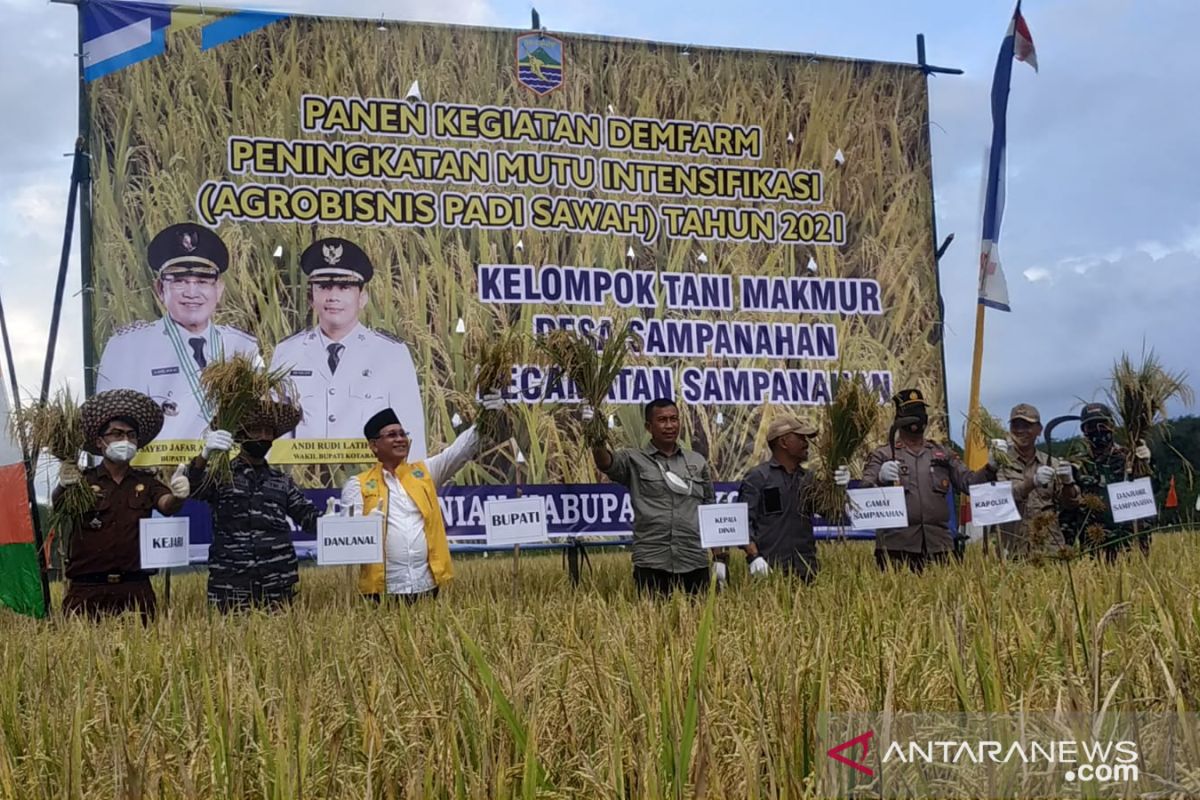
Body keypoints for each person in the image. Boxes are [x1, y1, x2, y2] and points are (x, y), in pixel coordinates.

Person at [95, 223, 261, 440]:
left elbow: (260, 425)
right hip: (158, 470)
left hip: (230, 471)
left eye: (202, 281)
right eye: (180, 281)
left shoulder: (242, 346)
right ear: (160, 289)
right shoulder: (128, 347)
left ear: (218, 290)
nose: (192, 293)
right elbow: (109, 428)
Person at [270, 238, 426, 459]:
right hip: (303, 483)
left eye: (344, 287)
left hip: (372, 483)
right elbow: (275, 434)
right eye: (324, 287)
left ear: (362, 298)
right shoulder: (288, 352)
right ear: (311, 297)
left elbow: (410, 433)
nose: (333, 297)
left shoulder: (390, 354)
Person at [340, 394, 505, 602]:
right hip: (382, 592)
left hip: (426, 586)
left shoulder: (424, 472)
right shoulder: (357, 484)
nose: (400, 439)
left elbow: (459, 452)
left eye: (402, 434)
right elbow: (347, 541)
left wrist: (487, 417)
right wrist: (368, 525)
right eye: (392, 435)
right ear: (374, 445)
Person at [54, 389, 190, 620]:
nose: (125, 440)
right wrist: (64, 485)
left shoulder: (146, 482)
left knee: (143, 653)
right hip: (87, 590)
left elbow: (167, 505)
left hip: (135, 589)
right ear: (100, 441)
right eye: (116, 434)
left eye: (131, 435)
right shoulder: (83, 481)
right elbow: (61, 506)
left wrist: (178, 495)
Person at [186, 398, 320, 611]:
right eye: (257, 430)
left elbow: (308, 517)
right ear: (241, 435)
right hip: (231, 583)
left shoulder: (281, 481)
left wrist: (335, 522)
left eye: (269, 432)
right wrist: (204, 456)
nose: (264, 437)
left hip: (277, 582)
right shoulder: (221, 475)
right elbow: (191, 488)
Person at [857, 388, 1001, 572]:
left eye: (920, 410)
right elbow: (864, 492)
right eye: (911, 412)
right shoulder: (883, 454)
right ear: (899, 417)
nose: (917, 417)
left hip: (940, 546)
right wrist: (880, 478)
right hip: (897, 548)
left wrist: (990, 468)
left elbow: (969, 483)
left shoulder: (942, 453)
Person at [588, 398, 718, 596]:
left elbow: (710, 508)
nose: (669, 425)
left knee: (698, 621)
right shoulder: (633, 460)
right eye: (662, 420)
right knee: (653, 623)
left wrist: (719, 556)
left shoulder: (697, 462)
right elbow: (606, 463)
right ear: (649, 426)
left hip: (693, 560)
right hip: (652, 561)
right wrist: (596, 437)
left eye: (674, 419)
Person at [737, 415, 825, 581]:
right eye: (800, 438)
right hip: (770, 570)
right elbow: (742, 523)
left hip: (806, 569)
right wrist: (754, 557)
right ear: (783, 442)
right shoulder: (758, 477)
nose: (806, 444)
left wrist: (837, 485)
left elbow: (830, 512)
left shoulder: (808, 479)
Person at [1062, 402, 1153, 560]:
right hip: (1093, 543)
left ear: (1112, 426)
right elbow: (1068, 504)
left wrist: (1148, 464)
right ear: (1084, 431)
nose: (1098, 430)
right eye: (1090, 426)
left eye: (1102, 424)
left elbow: (1153, 490)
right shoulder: (1078, 464)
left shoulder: (1130, 457)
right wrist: (1067, 482)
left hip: (1130, 540)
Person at [992, 404, 1080, 559]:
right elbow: (1001, 499)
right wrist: (1032, 482)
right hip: (1013, 549)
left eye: (1027, 425)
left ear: (1039, 430)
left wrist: (1068, 483)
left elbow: (1070, 503)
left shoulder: (1052, 463)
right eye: (1015, 425)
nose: (1020, 430)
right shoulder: (999, 465)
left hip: (1048, 548)